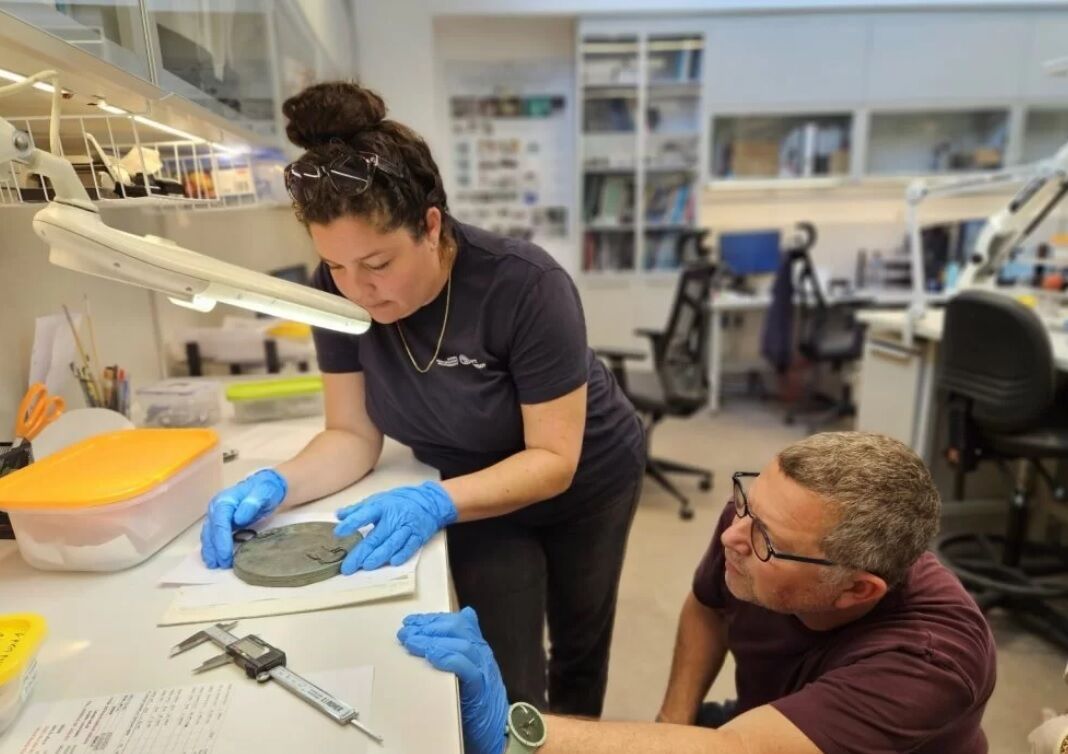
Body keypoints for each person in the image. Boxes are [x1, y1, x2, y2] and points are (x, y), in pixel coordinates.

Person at [198, 81, 646, 717]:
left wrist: (433, 499)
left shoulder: (524, 285)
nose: (358, 290)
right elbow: (351, 435)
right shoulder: (336, 291)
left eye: (377, 263)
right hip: (474, 491)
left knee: (578, 644)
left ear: (430, 226)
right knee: (500, 661)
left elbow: (553, 458)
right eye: (339, 267)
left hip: (585, 479)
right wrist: (277, 484)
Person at [400, 432, 998, 754]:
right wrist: (675, 721)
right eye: (747, 504)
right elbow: (708, 608)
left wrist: (515, 733)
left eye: (763, 534)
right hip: (758, 725)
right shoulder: (757, 530)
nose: (733, 534)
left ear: (856, 590)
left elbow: (741, 753)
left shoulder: (933, 659)